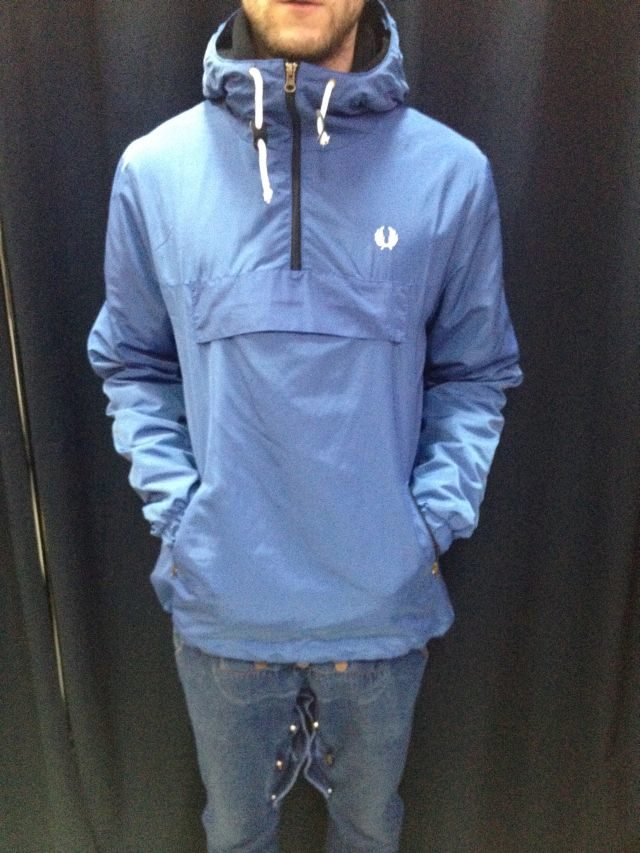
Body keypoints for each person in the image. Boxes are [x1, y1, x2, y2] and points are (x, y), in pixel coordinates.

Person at [88, 0, 522, 850]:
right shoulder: (155, 171)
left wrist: (422, 527)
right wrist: (186, 518)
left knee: (369, 831)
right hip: (224, 615)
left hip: (380, 617)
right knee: (235, 835)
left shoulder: (451, 174)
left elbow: (474, 373)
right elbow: (133, 362)